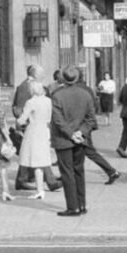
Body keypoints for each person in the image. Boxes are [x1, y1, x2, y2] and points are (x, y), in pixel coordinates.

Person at [51, 66, 97, 217]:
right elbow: (91, 119)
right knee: (79, 171)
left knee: (67, 172)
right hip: (80, 139)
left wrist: (71, 134)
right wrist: (80, 132)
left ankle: (73, 207)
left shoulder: (57, 95)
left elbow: (58, 120)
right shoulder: (86, 95)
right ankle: (82, 204)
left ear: (63, 78)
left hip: (64, 139)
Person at [75, 69, 121, 185]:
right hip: (86, 125)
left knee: (88, 151)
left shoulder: (75, 90)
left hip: (79, 126)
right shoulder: (88, 89)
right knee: (81, 152)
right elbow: (94, 106)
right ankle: (111, 171)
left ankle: (111, 171)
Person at [17, 82, 53, 199]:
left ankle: (39, 190)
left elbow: (22, 120)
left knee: (34, 161)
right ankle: (40, 189)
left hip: (33, 132)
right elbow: (49, 118)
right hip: (44, 130)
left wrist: (19, 120)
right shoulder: (48, 101)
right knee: (40, 162)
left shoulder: (31, 102)